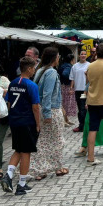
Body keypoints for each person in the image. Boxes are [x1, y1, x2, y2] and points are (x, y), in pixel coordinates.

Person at [1, 56, 41, 196]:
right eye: (34, 68)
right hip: (27, 121)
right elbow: (35, 106)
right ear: (29, 68)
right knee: (26, 153)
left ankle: (9, 175)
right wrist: (38, 124)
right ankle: (21, 184)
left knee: (18, 149)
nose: (34, 71)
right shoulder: (31, 85)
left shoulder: (12, 83)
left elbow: (9, 103)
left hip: (15, 121)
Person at [30, 47, 67, 180]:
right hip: (50, 109)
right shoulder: (51, 72)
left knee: (42, 140)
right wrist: (48, 114)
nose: (59, 59)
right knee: (56, 139)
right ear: (54, 58)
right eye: (58, 57)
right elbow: (47, 94)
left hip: (40, 108)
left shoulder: (40, 70)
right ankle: (57, 167)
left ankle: (40, 169)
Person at [70, 49, 90, 132]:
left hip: (86, 90)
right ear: (79, 55)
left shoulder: (89, 65)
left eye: (85, 54)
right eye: (82, 54)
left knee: (83, 108)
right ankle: (82, 125)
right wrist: (71, 88)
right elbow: (72, 78)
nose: (83, 55)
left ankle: (83, 126)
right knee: (80, 108)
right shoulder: (75, 66)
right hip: (78, 90)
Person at [59, 53, 77, 127]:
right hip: (66, 86)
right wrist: (70, 79)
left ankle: (66, 119)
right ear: (72, 60)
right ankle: (64, 120)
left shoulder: (63, 65)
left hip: (63, 86)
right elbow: (65, 74)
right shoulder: (68, 66)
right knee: (65, 104)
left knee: (64, 104)